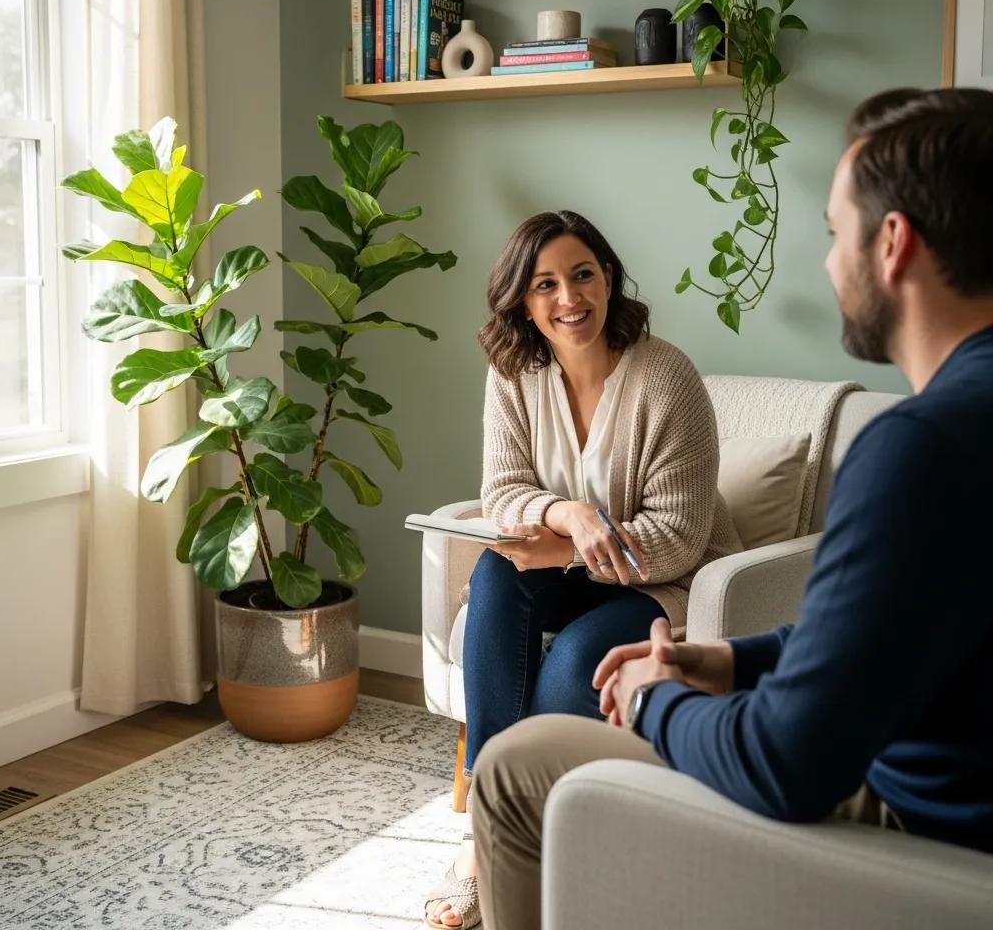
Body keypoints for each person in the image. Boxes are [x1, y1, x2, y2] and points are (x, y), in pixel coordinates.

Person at [468, 87, 993, 930]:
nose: (830, 263)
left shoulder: (915, 448)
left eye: (834, 233)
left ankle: (538, 831)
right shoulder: (954, 433)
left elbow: (789, 761)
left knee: (519, 766)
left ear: (892, 243)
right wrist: (733, 661)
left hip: (918, 823)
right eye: (545, 285)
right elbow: (885, 635)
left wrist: (652, 700)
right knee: (497, 580)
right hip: (939, 775)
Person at [423, 210, 742, 928]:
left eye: (582, 275)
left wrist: (567, 549)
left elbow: (679, 538)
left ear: (608, 279)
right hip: (561, 570)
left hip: (663, 583)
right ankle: (484, 835)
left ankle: (522, 833)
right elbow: (503, 493)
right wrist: (567, 514)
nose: (568, 298)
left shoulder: (667, 378)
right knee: (494, 576)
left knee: (573, 664)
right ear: (522, 300)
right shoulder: (514, 373)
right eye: (545, 284)